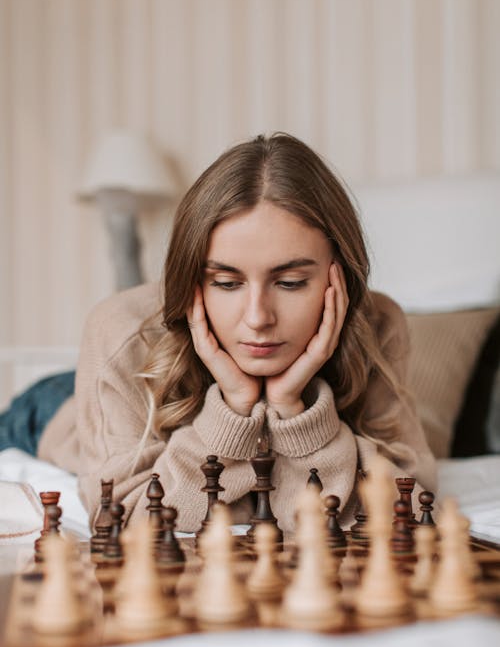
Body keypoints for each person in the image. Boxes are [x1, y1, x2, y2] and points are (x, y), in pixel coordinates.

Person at [3, 133, 436, 532]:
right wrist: (234, 408)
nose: (257, 318)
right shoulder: (120, 331)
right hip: (55, 410)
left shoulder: (375, 323)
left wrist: (289, 408)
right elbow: (125, 514)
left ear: (338, 274)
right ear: (193, 279)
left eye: (289, 283)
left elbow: (412, 501)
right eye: (226, 283)